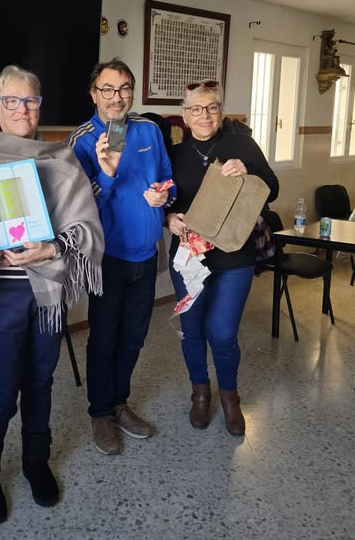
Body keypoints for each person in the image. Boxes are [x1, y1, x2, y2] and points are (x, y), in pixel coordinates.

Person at [0, 65, 103, 524]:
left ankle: (36, 463)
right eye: (12, 100)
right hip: (0, 294)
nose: (22, 109)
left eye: (30, 100)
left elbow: (86, 225)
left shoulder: (61, 156)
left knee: (40, 380)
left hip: (48, 290)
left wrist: (52, 246)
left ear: (40, 105)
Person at [67, 58, 176, 455]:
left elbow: (167, 175)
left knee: (134, 336)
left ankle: (119, 403)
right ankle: (99, 413)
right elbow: (75, 207)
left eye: (125, 88)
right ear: (94, 93)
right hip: (106, 258)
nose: (118, 97)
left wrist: (166, 193)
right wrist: (108, 174)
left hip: (146, 256)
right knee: (104, 338)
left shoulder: (148, 129)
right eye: (108, 89)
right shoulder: (81, 140)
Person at [164, 80, 279, 435]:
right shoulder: (174, 155)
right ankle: (200, 393)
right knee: (193, 329)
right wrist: (168, 218)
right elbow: (163, 199)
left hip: (234, 255)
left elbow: (272, 188)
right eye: (196, 109)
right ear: (185, 116)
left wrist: (250, 170)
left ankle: (230, 397)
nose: (204, 115)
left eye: (211, 107)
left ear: (221, 111)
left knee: (223, 331)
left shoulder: (241, 144)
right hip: (188, 256)